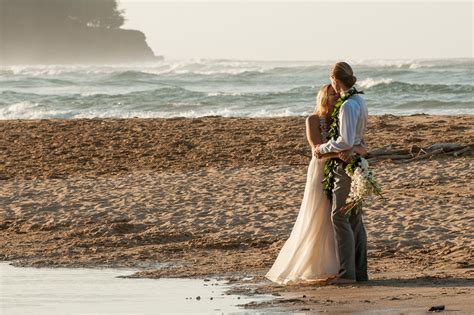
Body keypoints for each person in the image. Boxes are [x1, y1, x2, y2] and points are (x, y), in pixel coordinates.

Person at [265, 83, 367, 285]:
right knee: (319, 216)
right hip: (321, 171)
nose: (336, 96)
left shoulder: (342, 116)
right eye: (331, 94)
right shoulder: (312, 120)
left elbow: (359, 145)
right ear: (323, 97)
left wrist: (350, 150)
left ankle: (344, 267)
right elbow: (316, 150)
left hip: (342, 169)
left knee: (342, 219)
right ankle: (322, 266)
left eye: (337, 93)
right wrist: (343, 150)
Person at [314, 62, 369, 284]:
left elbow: (344, 140)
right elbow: (356, 139)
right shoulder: (359, 101)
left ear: (335, 79)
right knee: (355, 218)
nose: (331, 84)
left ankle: (347, 274)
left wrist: (322, 148)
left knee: (339, 216)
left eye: (331, 79)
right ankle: (360, 272)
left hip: (345, 165)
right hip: (357, 162)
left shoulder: (347, 105)